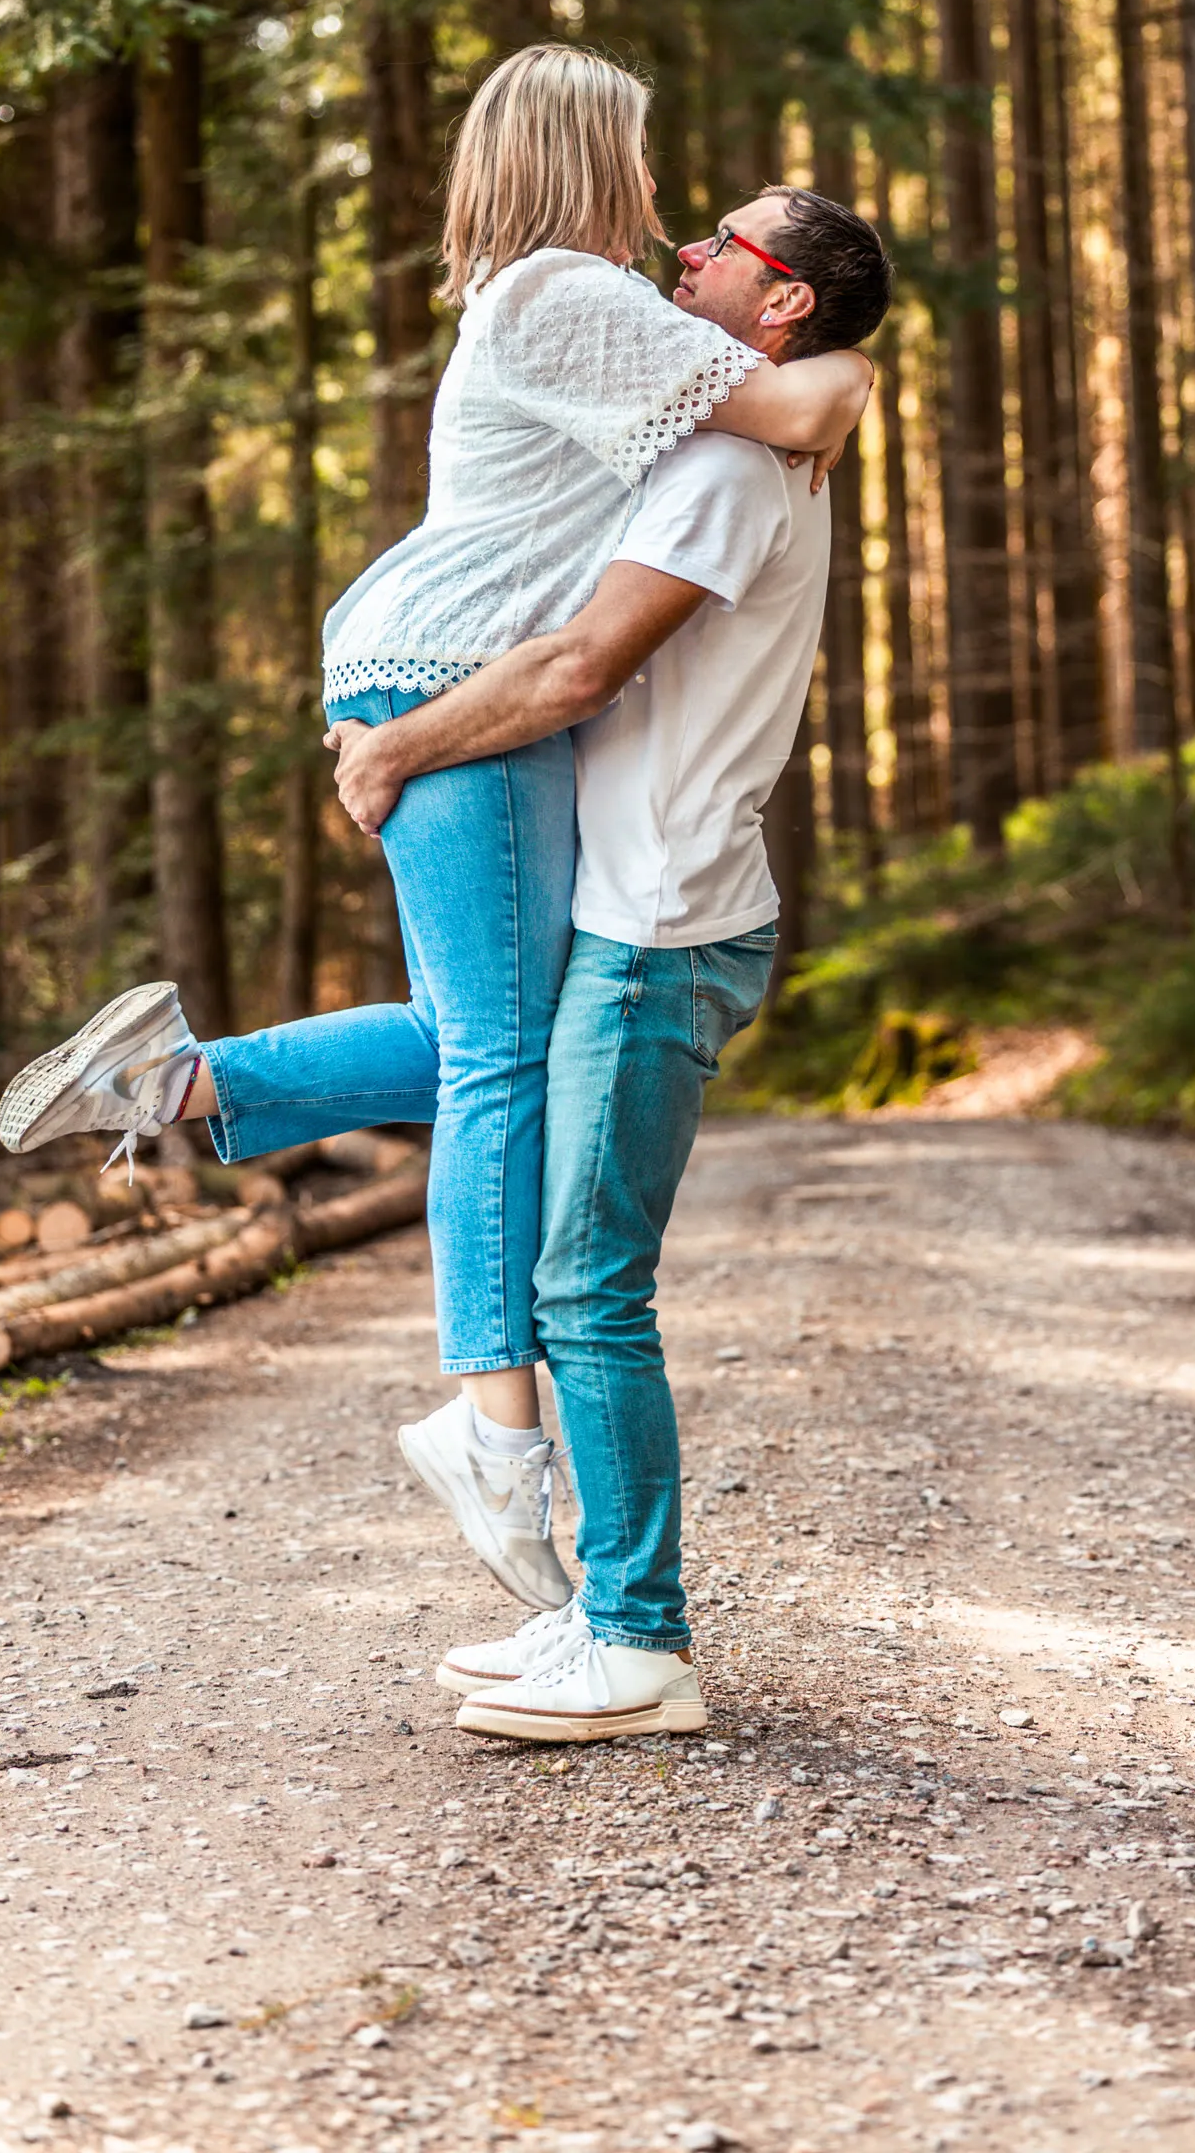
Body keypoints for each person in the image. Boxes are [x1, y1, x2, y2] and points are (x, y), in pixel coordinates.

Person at [0, 48, 874, 1615]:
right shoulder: (567, 295)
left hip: (446, 671)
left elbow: (815, 380)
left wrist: (842, 373)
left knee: (490, 1039)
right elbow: (806, 390)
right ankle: (491, 1428)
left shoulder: (576, 301)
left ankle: (175, 1080)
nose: (668, 208)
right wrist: (844, 378)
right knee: (499, 1058)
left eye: (713, 226)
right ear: (582, 153)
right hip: (464, 682)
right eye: (644, 160)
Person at [324, 182, 892, 1740]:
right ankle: (600, 1616)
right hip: (647, 908)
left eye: (724, 246)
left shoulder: (726, 470)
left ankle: (641, 1642)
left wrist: (396, 750)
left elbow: (576, 667)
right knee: (491, 1094)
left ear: (783, 304)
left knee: (588, 1280)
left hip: (662, 926)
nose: (685, 253)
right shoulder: (734, 436)